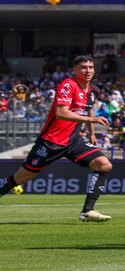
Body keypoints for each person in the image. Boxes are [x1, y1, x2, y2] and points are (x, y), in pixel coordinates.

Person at [0, 55, 112, 222]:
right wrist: (91, 120)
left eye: (90, 67)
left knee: (104, 164)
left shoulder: (93, 90)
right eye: (83, 67)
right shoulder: (67, 85)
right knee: (20, 178)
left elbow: (88, 108)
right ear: (75, 70)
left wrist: (92, 132)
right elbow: (61, 113)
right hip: (51, 141)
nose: (87, 70)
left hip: (73, 141)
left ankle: (87, 211)